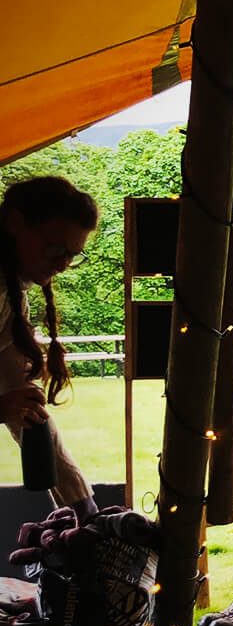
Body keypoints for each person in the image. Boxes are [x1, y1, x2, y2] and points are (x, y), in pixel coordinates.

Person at [0, 177, 100, 515]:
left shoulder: (11, 296)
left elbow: (20, 399)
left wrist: (83, 507)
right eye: (56, 249)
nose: (63, 265)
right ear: (16, 223)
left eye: (73, 255)